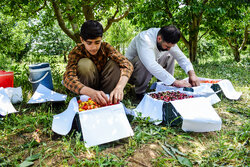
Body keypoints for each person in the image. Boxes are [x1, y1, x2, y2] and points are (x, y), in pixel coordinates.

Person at [63, 20, 133, 105]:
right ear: (82, 40)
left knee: (115, 64)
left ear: (101, 39)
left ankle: (110, 98)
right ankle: (87, 100)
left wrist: (119, 87)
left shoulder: (106, 47)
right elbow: (68, 77)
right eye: (89, 43)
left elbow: (127, 64)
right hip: (88, 91)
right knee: (84, 64)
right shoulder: (76, 52)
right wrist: (91, 92)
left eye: (97, 42)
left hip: (106, 87)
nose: (94, 47)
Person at [125, 25, 200, 100]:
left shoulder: (167, 37)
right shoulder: (145, 39)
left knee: (170, 54)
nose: (168, 49)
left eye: (171, 47)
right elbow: (151, 65)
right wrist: (174, 81)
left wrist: (192, 74)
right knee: (142, 61)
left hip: (149, 70)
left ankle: (164, 87)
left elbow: (180, 57)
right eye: (167, 46)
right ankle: (140, 93)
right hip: (130, 73)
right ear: (159, 38)